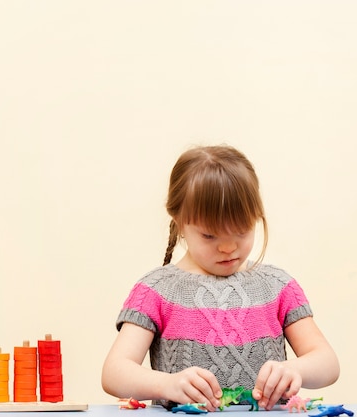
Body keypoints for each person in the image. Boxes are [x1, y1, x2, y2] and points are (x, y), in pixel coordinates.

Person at [101, 145, 339, 412]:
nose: (228, 248)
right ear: (178, 220)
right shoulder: (156, 290)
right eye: (210, 235)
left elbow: (328, 363)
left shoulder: (277, 286)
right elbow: (114, 372)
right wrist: (166, 384)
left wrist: (293, 370)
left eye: (241, 231)